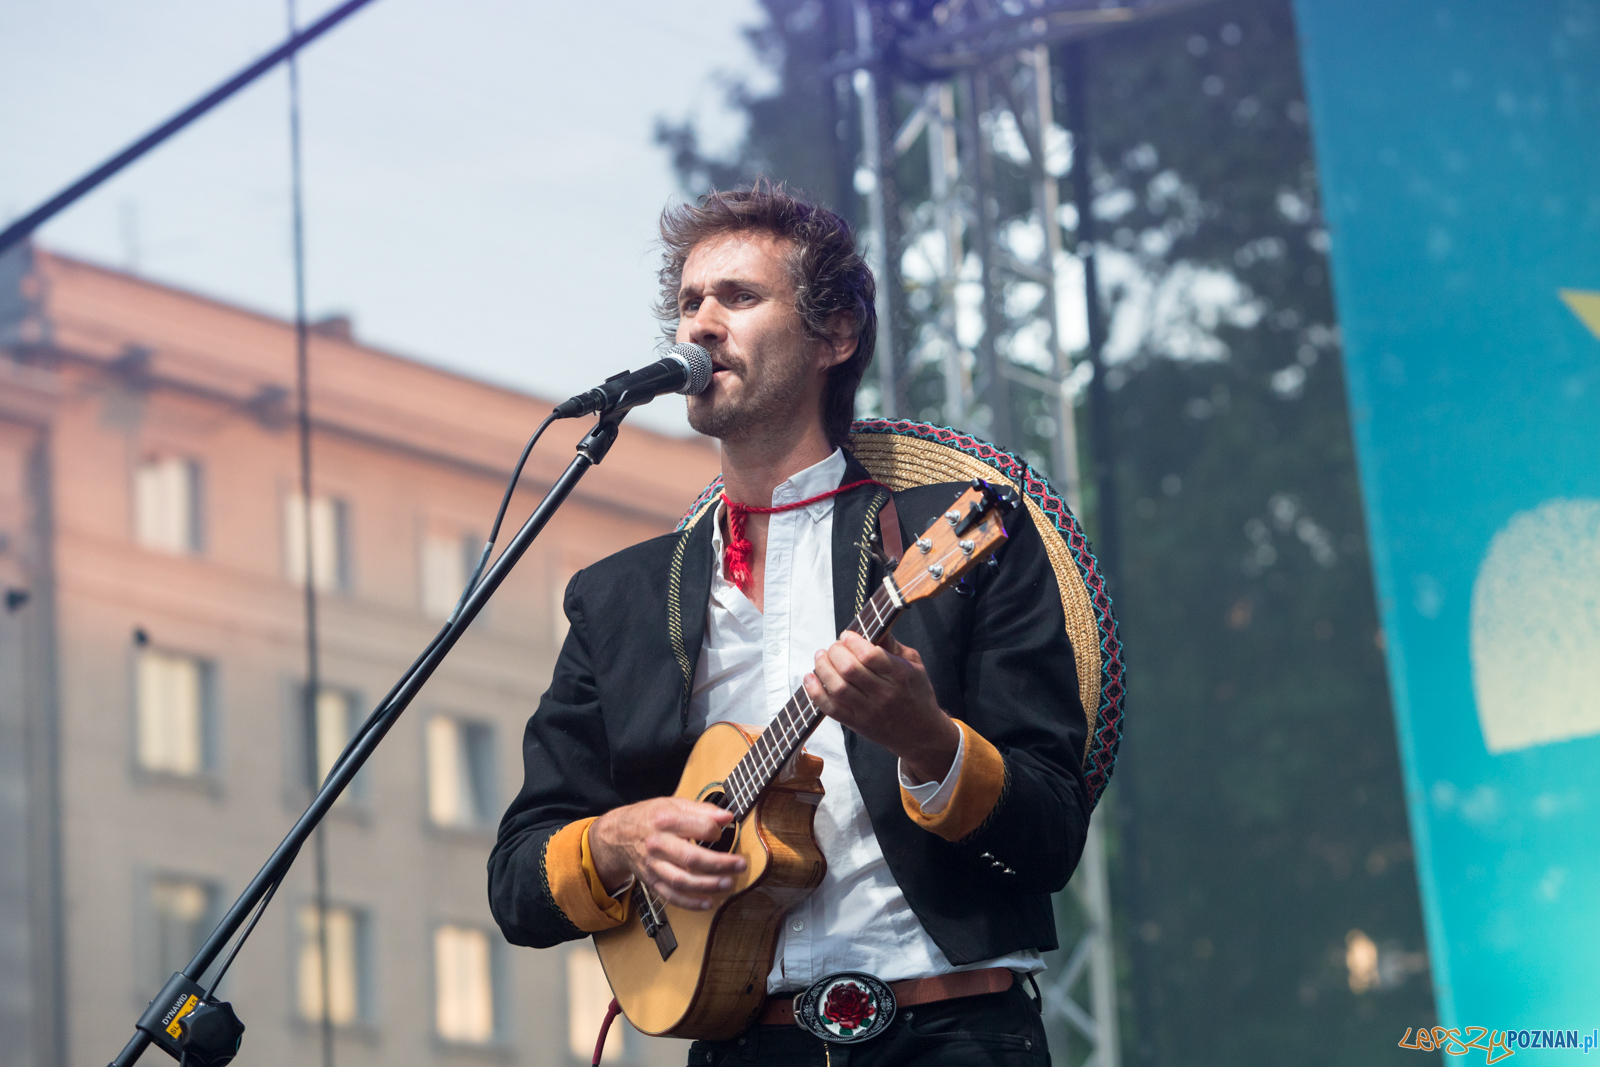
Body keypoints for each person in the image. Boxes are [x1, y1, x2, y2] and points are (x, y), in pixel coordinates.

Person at [488, 183, 1091, 1066]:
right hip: (743, 1044)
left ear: (835, 334)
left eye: (738, 296)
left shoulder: (952, 533)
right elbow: (517, 880)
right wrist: (619, 841)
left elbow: (1052, 833)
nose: (699, 323)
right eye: (690, 301)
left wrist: (929, 744)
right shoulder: (619, 597)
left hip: (954, 1034)